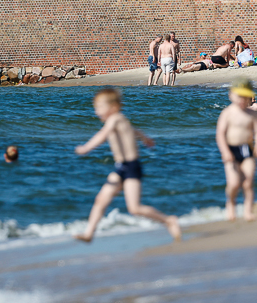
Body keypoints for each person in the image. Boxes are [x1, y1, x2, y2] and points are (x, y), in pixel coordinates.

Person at [73, 88, 182, 243]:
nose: (96, 112)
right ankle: (89, 233)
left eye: (99, 108)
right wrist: (145, 138)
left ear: (113, 107)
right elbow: (133, 130)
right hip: (120, 168)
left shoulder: (115, 119)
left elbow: (103, 134)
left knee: (134, 209)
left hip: (131, 167)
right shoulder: (121, 120)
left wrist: (86, 148)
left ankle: (169, 220)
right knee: (101, 199)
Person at [216, 79, 257, 221]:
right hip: (231, 150)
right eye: (239, 97)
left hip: (247, 149)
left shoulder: (252, 114)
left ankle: (247, 211)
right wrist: (225, 152)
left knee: (248, 182)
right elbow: (220, 134)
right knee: (233, 184)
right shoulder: (227, 113)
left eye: (245, 97)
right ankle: (230, 205)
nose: (242, 100)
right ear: (231, 96)